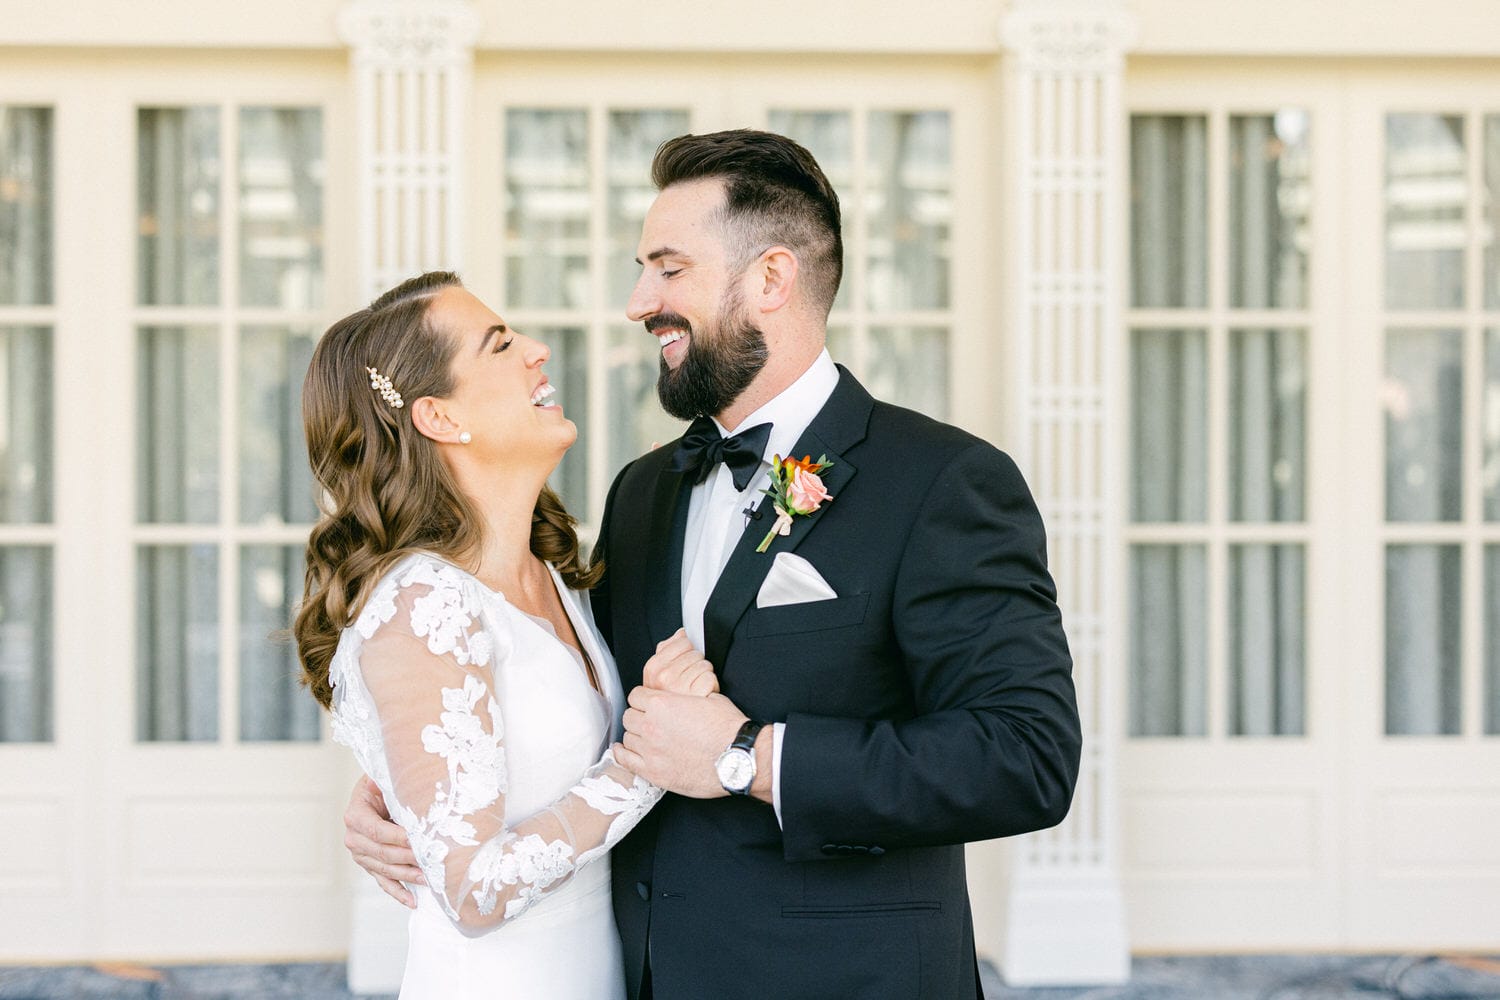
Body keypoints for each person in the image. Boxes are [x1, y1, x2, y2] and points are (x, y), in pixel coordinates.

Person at [345, 131, 1082, 999]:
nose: (637, 302)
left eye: (668, 269)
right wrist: (404, 778)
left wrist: (747, 757)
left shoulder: (942, 483)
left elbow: (1024, 757)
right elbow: (557, 699)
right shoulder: (643, 492)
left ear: (771, 279)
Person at [295, 271, 718, 1000]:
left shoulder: (550, 570)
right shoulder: (423, 602)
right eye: (500, 344)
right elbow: (473, 891)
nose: (538, 351)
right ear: (437, 416)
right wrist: (647, 762)